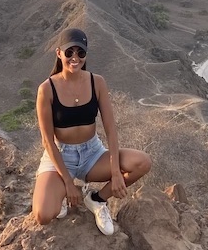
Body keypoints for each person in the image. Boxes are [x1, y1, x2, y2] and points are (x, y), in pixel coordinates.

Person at [33, 27, 152, 235]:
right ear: (59, 53)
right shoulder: (47, 89)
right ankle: (60, 191)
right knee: (43, 215)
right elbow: (47, 141)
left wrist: (115, 172)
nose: (75, 58)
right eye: (69, 52)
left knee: (142, 162)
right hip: (61, 156)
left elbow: (111, 129)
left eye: (80, 52)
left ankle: (97, 200)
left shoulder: (97, 82)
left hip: (92, 153)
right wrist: (69, 183)